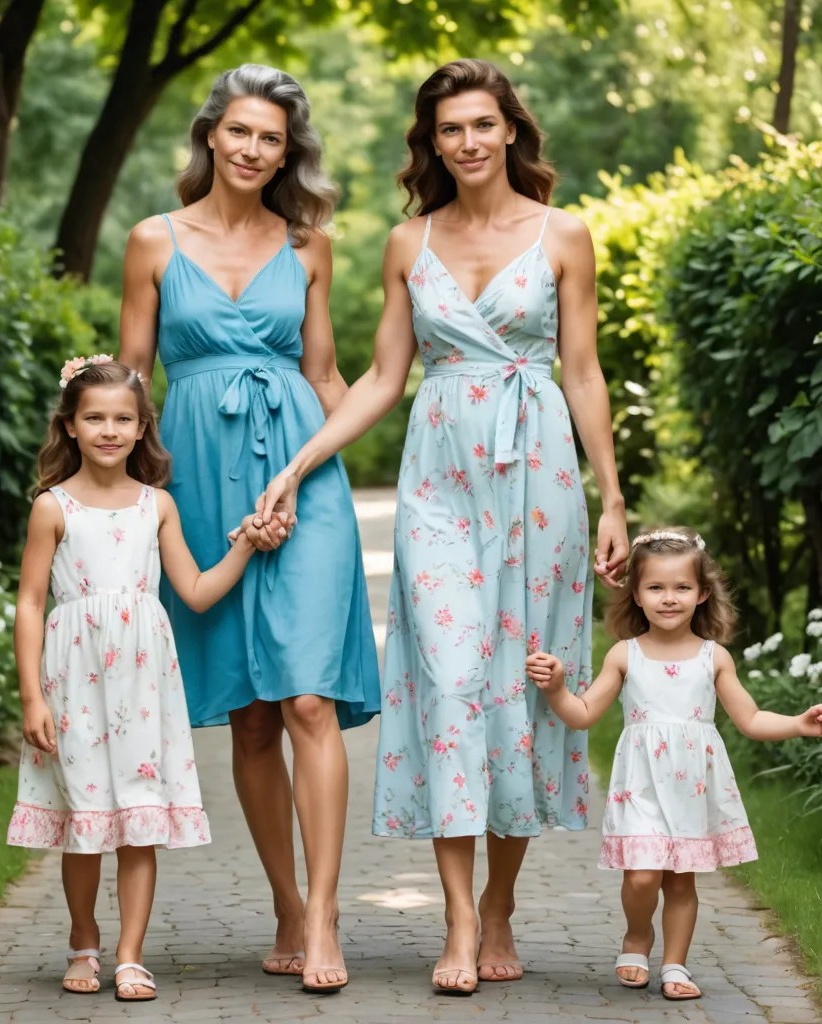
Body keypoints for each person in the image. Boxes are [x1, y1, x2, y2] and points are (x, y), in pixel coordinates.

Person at [255, 58, 629, 995]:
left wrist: (613, 496)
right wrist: (300, 464)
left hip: (538, 471)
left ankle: (502, 899)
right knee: (452, 682)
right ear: (432, 143)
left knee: (520, 686)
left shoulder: (564, 235)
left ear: (511, 131)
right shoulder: (404, 242)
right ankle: (460, 923)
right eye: (448, 129)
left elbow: (582, 373)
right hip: (438, 477)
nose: (466, 141)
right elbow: (384, 378)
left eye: (482, 125)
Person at [118, 64, 380, 993]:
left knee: (308, 697)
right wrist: (104, 500)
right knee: (253, 713)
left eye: (270, 138)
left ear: (287, 152)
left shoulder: (310, 245)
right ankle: (283, 900)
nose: (251, 149)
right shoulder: (154, 241)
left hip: (302, 481)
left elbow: (327, 375)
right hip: (196, 480)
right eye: (238, 132)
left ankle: (326, 914)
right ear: (211, 136)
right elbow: (130, 381)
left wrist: (344, 457)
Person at [7, 356, 259, 1002]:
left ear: (144, 428)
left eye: (123, 418)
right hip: (75, 682)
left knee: (138, 821)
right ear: (68, 426)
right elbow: (31, 603)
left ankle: (130, 955)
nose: (109, 430)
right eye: (94, 418)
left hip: (143, 688)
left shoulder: (157, 507)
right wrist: (32, 695)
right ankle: (84, 942)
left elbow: (197, 592)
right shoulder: (52, 508)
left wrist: (246, 545)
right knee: (85, 819)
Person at [526, 527, 822, 1000]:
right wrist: (557, 689)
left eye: (681, 588)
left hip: (692, 787)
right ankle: (637, 934)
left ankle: (675, 964)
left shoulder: (713, 657)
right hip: (642, 786)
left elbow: (750, 718)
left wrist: (799, 722)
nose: (668, 598)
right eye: (655, 587)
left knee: (679, 881)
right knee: (643, 874)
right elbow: (585, 714)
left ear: (702, 593)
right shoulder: (624, 655)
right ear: (636, 593)